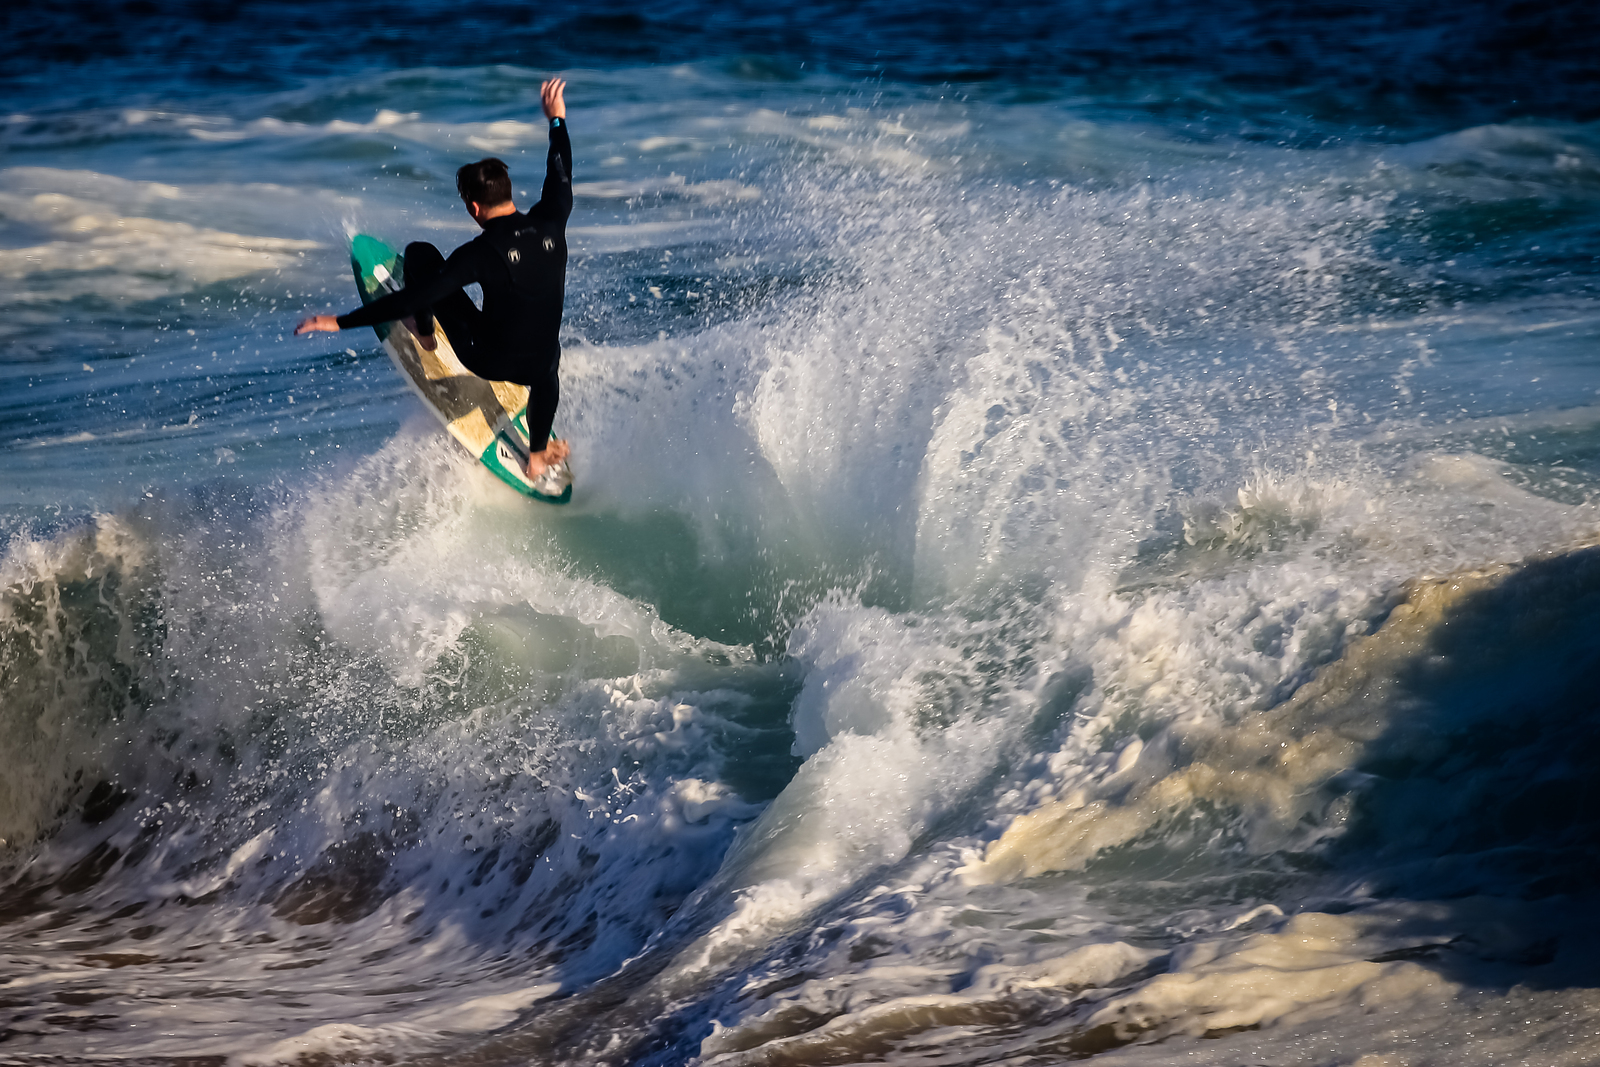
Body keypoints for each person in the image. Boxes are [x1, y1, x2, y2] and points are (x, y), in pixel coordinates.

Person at [296, 78, 574, 481]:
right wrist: (557, 120)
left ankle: (425, 334)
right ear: (509, 192)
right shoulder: (553, 220)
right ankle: (535, 456)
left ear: (474, 206)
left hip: (487, 358)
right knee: (548, 365)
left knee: (422, 257)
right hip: (540, 365)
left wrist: (336, 321)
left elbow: (411, 297)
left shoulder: (478, 254)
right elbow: (560, 170)